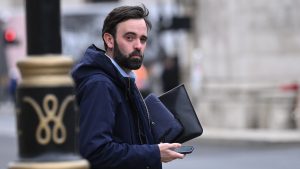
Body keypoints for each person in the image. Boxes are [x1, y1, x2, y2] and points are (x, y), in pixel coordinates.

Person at [71, 4, 184, 169]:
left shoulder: (124, 79)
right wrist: (153, 153)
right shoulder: (100, 85)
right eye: (130, 37)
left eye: (143, 39)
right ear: (109, 40)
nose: (138, 45)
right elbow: (96, 152)